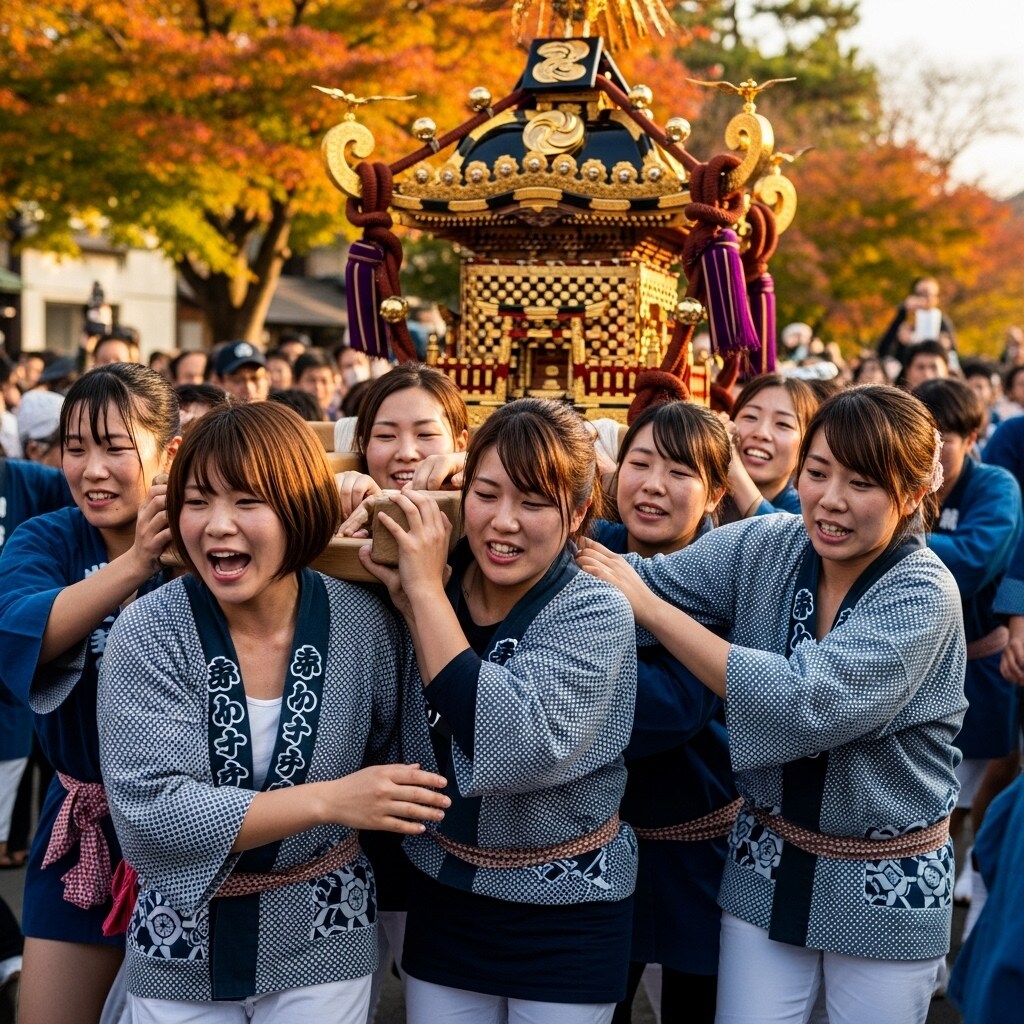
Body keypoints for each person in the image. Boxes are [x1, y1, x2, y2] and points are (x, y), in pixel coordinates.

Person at [577, 384, 967, 1024]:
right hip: (767, 863)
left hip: (885, 881)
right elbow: (639, 581)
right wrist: (507, 523)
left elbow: (806, 703)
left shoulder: (924, 590)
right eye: (817, 473)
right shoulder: (768, 544)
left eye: (861, 483)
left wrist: (651, 607)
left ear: (914, 492)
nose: (830, 500)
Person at [97, 401, 449, 1022]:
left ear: (298, 506)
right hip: (179, 942)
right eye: (198, 500)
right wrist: (332, 800)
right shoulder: (149, 628)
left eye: (248, 501)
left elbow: (414, 756)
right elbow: (152, 813)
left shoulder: (364, 623)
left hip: (324, 929)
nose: (217, 526)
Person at [364, 398, 638, 1024]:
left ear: (577, 513)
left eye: (534, 503)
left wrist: (424, 594)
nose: (502, 523)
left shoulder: (595, 609)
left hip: (568, 904)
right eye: (486, 494)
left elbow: (517, 743)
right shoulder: (428, 579)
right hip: (445, 891)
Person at [0, 363, 181, 1024]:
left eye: (114, 446)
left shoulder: (216, 537)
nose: (92, 469)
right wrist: (133, 564)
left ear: (169, 453)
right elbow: (23, 632)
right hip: (80, 824)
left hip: (198, 832)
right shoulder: (45, 536)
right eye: (76, 448)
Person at [593, 402, 736, 1024]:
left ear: (716, 493)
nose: (652, 485)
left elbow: (676, 708)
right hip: (595, 844)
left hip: (698, 842)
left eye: (680, 472)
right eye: (639, 463)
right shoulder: (587, 549)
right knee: (599, 1002)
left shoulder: (732, 571)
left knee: (696, 1004)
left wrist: (553, 703)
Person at [913, 378, 1021, 943]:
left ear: (973, 437)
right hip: (914, 669)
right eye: (921, 436)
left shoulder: (995, 486)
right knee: (928, 814)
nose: (931, 451)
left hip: (981, 671)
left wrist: (883, 537)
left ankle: (972, 930)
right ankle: (932, 950)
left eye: (945, 438)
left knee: (974, 806)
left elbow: (977, 558)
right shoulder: (904, 479)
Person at [336, 362, 469, 530]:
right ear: (363, 445)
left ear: (460, 444)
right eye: (386, 436)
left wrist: (476, 466)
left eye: (426, 434)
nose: (407, 454)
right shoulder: (343, 494)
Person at [724, 372, 818, 519]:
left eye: (782, 424)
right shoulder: (705, 496)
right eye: (750, 416)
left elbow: (787, 536)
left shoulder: (811, 511)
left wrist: (733, 467)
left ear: (806, 447)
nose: (761, 433)